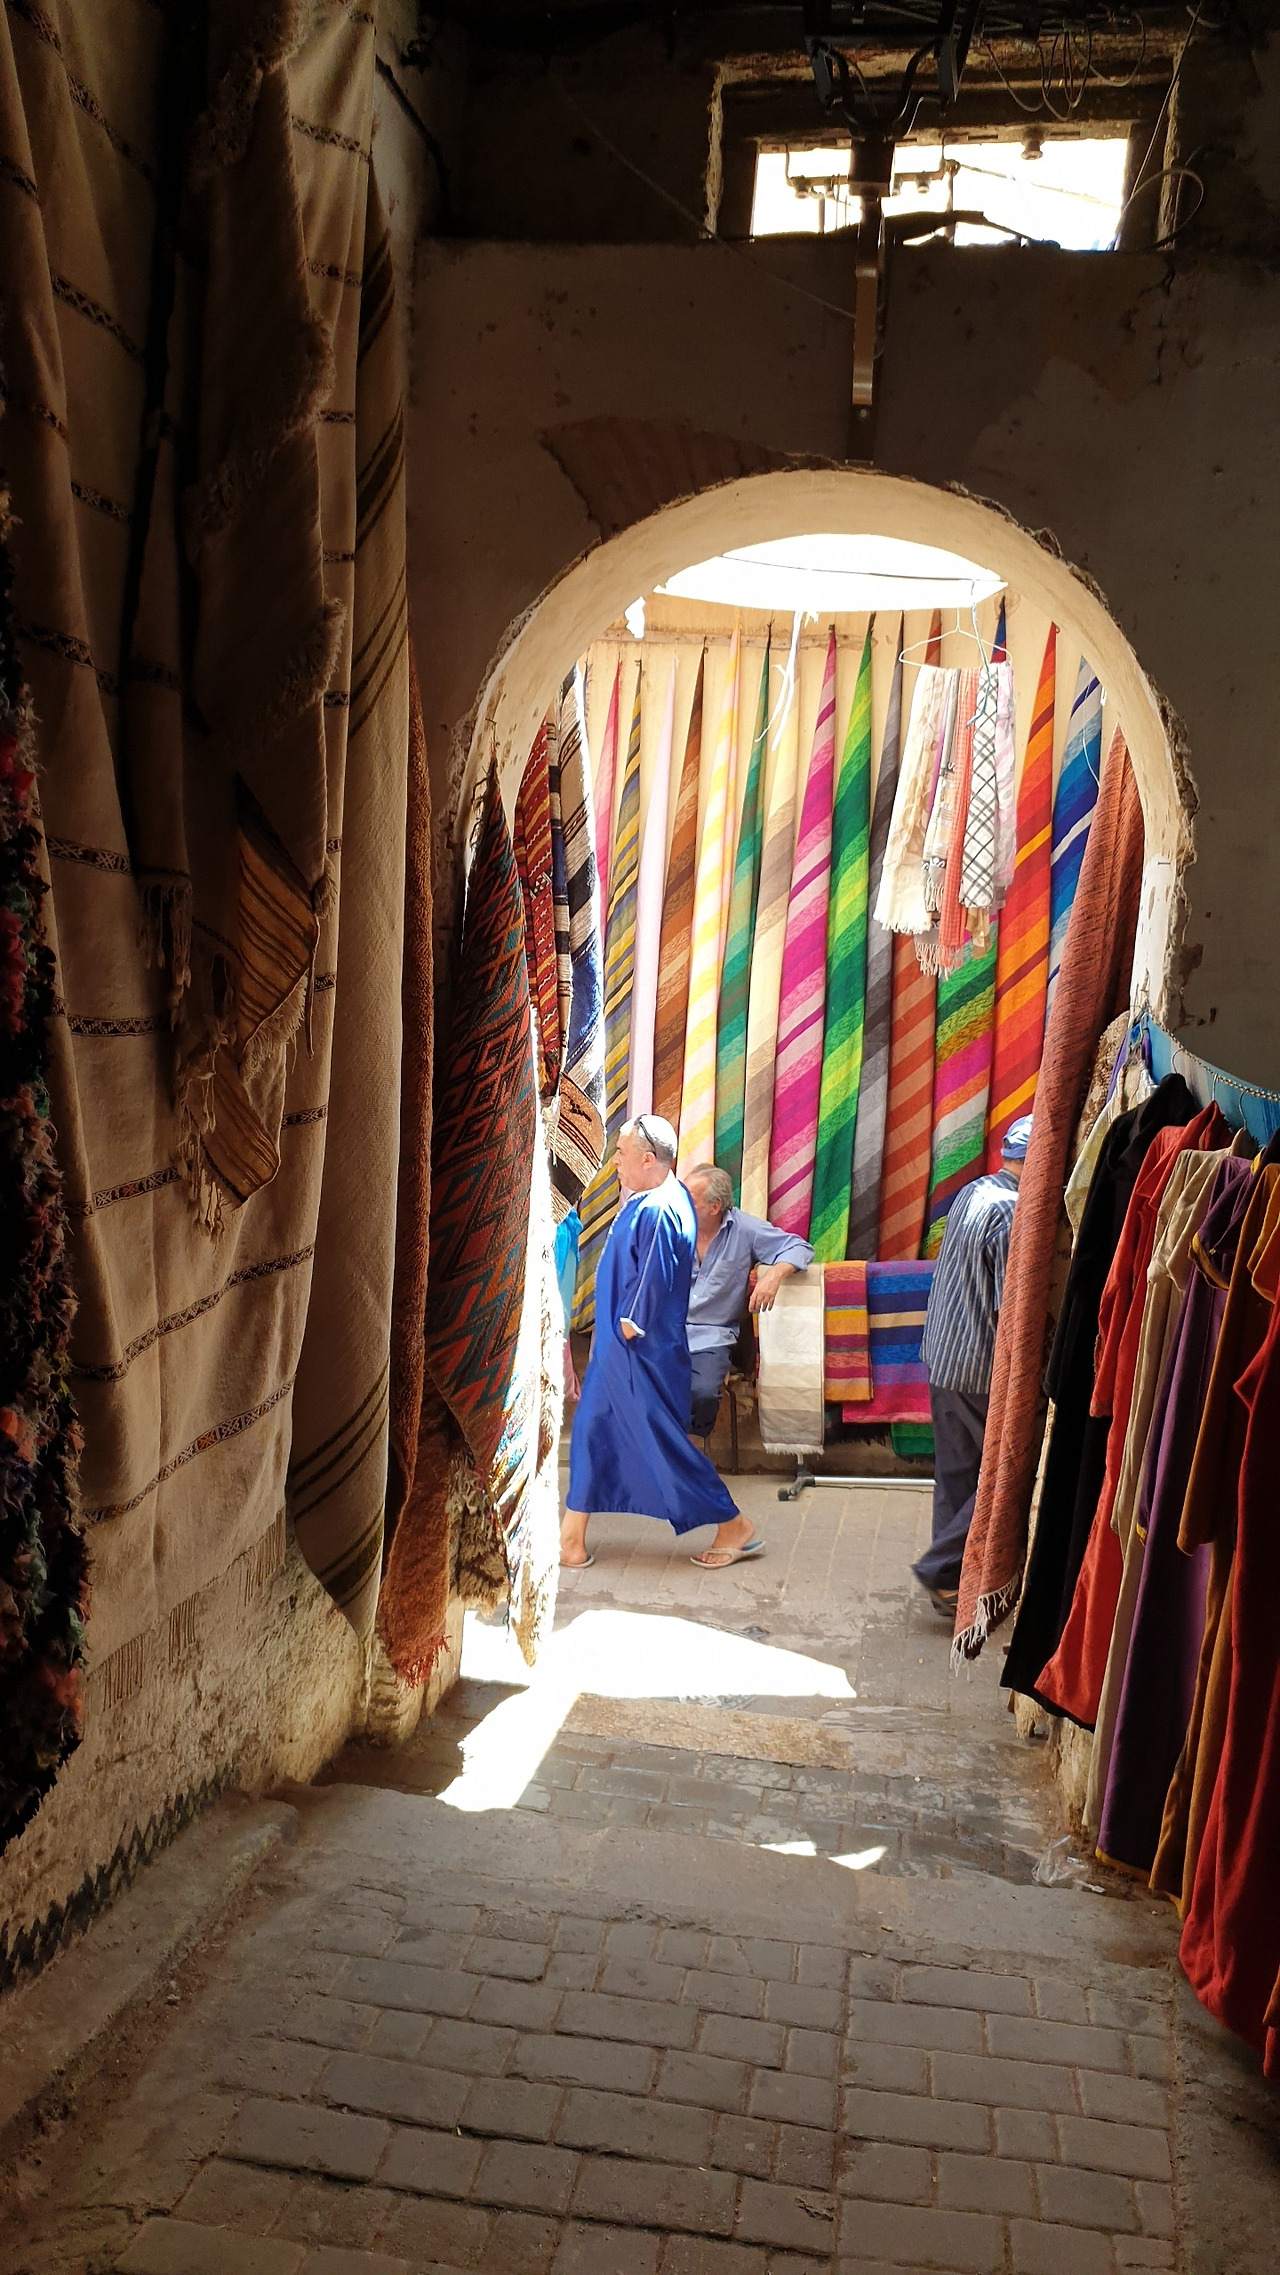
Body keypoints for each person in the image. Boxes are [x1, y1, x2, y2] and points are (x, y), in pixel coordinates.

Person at [561, 1116, 763, 1573]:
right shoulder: (657, 1198)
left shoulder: (660, 1208)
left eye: (621, 1153)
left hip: (637, 1355)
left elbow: (651, 1279)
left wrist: (627, 1327)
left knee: (661, 1444)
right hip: (619, 1352)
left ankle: (733, 1524)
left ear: (648, 1159)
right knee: (592, 1431)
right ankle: (570, 1540)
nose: (615, 1161)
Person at [913, 1114, 1032, 1616]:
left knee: (957, 1473)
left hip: (943, 1354)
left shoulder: (974, 1191)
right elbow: (1012, 1307)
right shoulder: (1013, 1212)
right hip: (979, 1367)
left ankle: (951, 1586)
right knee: (1004, 1473)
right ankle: (940, 1567)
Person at [683, 1165, 815, 1436]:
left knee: (703, 1393)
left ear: (714, 1207)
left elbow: (799, 1247)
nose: (680, 1203)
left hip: (711, 1337)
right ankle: (658, 1450)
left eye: (690, 1200)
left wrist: (774, 1275)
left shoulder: (745, 1230)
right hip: (667, 1331)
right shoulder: (672, 1227)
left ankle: (685, 1445)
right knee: (629, 1384)